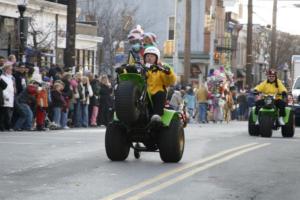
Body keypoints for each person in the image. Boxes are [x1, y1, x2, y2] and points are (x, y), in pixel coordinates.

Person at [143, 46, 176, 122]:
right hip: (143, 93)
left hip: (156, 92)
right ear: (144, 58)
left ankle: (157, 115)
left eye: (152, 56)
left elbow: (171, 81)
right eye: (147, 56)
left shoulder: (161, 68)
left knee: (159, 94)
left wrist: (168, 73)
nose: (149, 58)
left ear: (156, 58)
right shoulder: (141, 67)